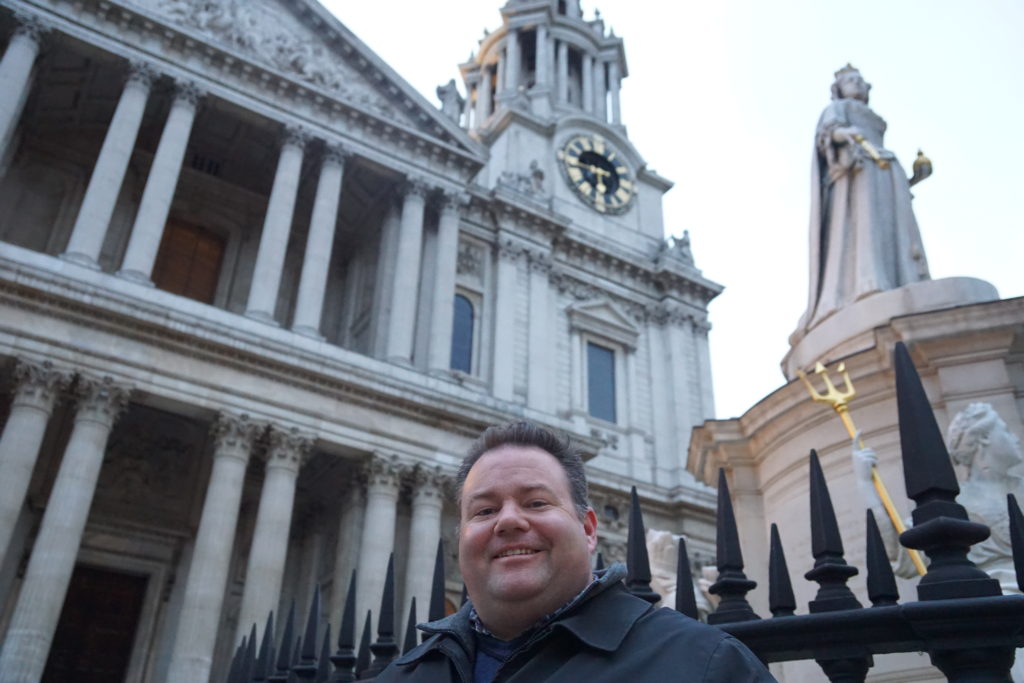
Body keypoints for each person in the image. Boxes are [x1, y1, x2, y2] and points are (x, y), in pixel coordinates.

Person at [377, 421, 774, 682]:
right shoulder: (399, 678)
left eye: (535, 503)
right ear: (462, 535)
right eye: (485, 510)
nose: (509, 520)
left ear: (587, 530)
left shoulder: (708, 666)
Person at [797, 65, 930, 334]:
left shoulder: (873, 120)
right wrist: (842, 135)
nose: (857, 85)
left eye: (860, 81)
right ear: (839, 88)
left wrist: (913, 179)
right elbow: (827, 134)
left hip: (884, 169)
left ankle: (901, 279)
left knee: (891, 230)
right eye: (850, 81)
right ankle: (866, 282)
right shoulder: (837, 109)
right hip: (853, 169)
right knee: (863, 226)